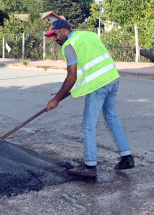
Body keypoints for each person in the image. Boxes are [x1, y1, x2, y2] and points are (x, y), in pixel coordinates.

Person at [46, 19, 134, 177]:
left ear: (64, 30)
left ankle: (90, 166)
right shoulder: (89, 35)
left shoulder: (69, 45)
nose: (55, 38)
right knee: (111, 117)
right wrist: (61, 95)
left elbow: (71, 78)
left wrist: (55, 100)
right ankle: (127, 157)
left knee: (88, 125)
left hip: (98, 86)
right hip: (112, 80)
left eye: (56, 34)